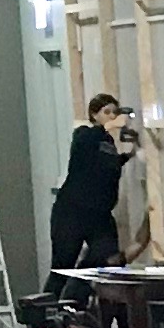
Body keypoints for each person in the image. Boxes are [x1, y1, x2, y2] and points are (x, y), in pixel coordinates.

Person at [50, 94, 136, 270]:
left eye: (115, 112)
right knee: (62, 267)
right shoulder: (84, 134)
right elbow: (88, 148)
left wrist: (130, 154)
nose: (112, 116)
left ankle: (82, 279)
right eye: (107, 112)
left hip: (99, 213)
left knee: (108, 257)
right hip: (72, 212)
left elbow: (105, 165)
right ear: (94, 115)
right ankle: (64, 287)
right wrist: (111, 125)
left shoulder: (108, 141)